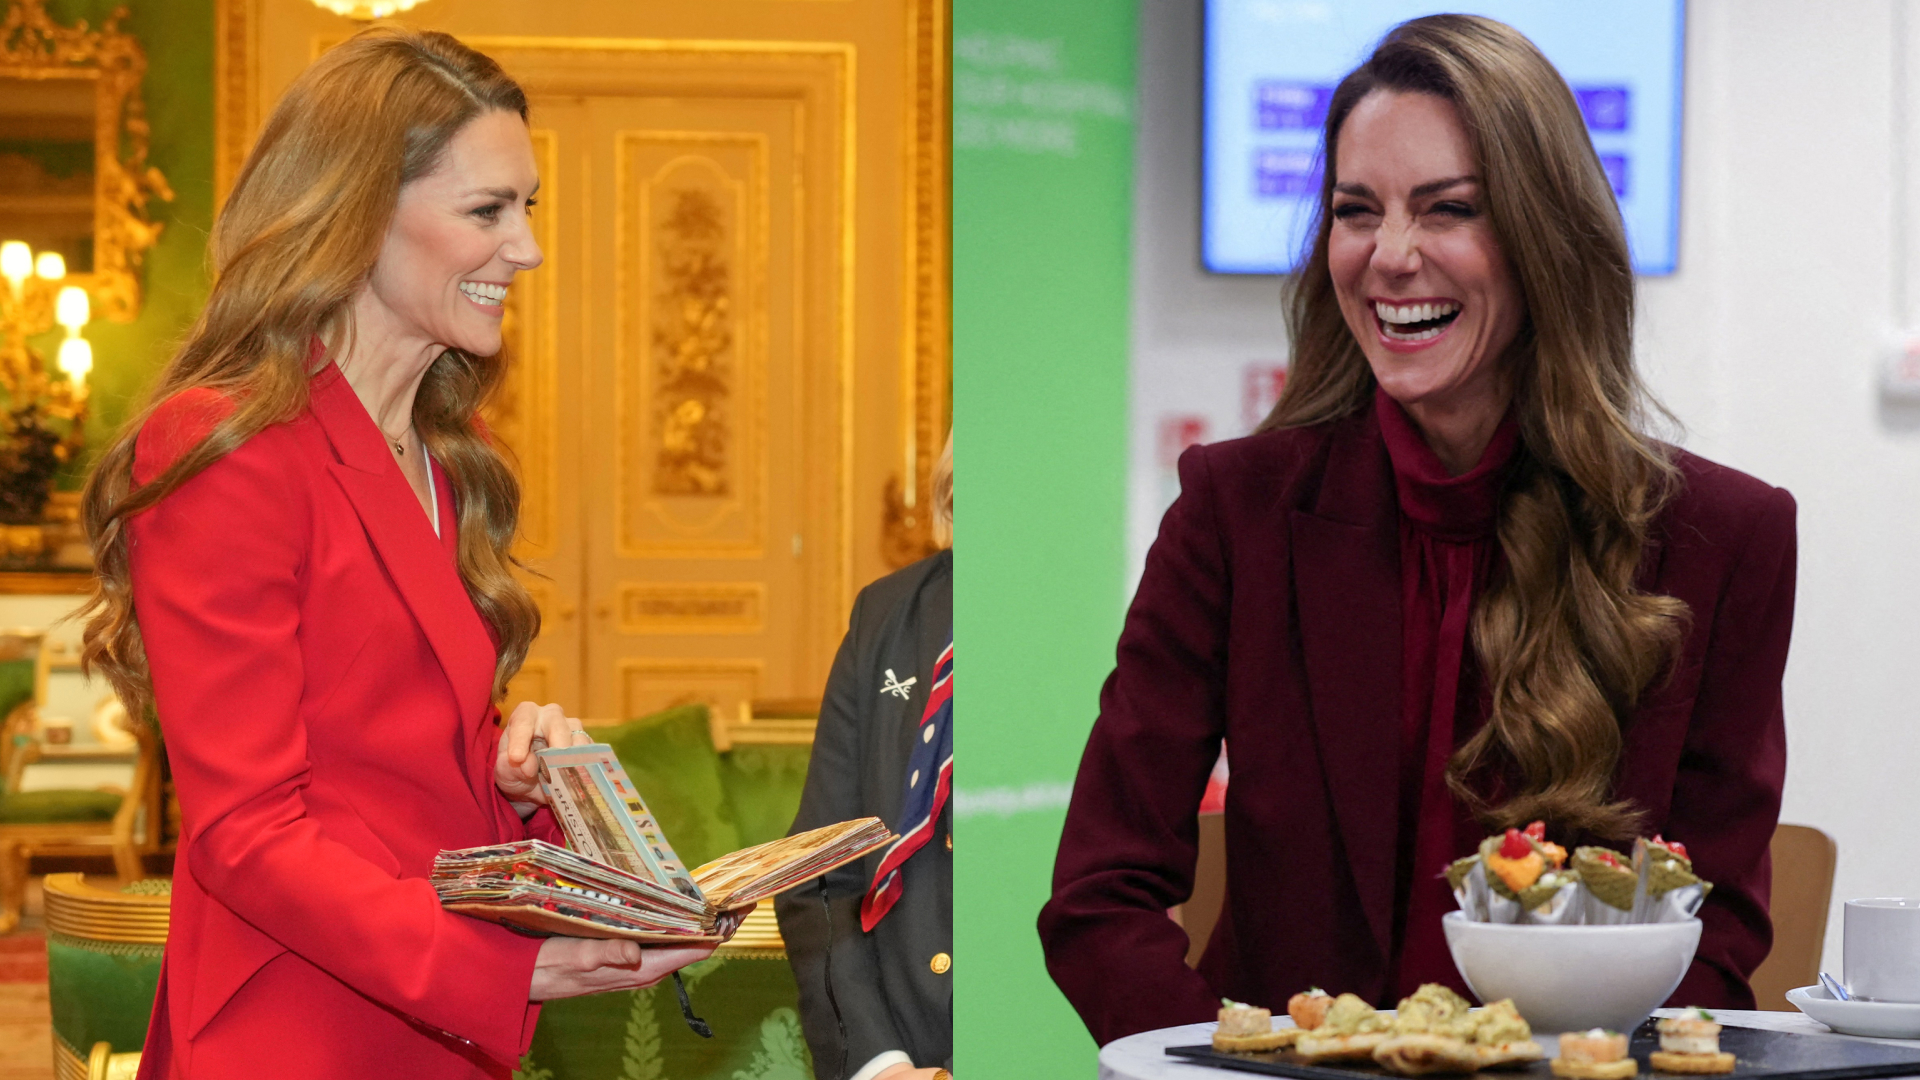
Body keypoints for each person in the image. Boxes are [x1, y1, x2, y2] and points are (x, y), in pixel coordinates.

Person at [1039, 14, 1796, 1046]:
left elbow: (1712, 941)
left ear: (1545, 239)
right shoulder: (1234, 510)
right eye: (1358, 211)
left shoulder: (1726, 538)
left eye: (1449, 210)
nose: (1391, 257)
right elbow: (1099, 898)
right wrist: (1232, 1069)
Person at [78, 27, 710, 1079]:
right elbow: (246, 835)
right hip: (296, 1026)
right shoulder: (223, 444)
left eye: (529, 208)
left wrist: (515, 775)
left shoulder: (452, 461)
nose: (528, 249)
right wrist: (506, 970)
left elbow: (398, 760)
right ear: (363, 215)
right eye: (487, 211)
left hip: (432, 1026)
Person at [777, 435, 953, 1080]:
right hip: (894, 1051)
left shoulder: (1107, 620)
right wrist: (881, 1065)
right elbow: (818, 873)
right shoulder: (884, 612)